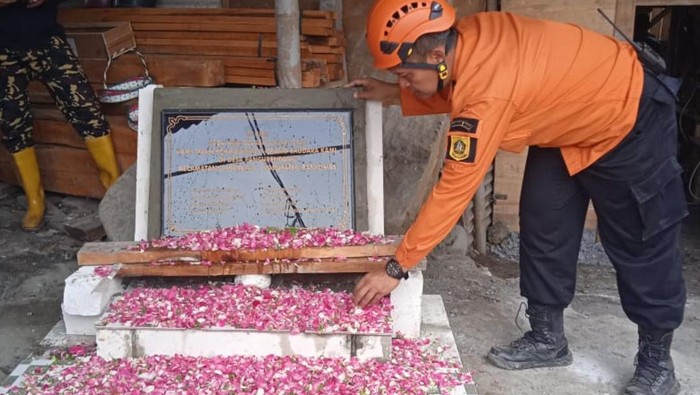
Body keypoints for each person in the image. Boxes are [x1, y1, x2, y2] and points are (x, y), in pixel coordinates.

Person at [349, 1, 687, 394]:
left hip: (626, 117)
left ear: (438, 55)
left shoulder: (486, 91)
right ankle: (548, 339)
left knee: (641, 239)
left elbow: (455, 185)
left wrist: (396, 268)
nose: (405, 82)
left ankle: (657, 363)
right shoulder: (465, 41)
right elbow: (456, 84)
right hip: (565, 121)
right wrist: (392, 93)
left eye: (405, 75)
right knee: (544, 221)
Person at [0, 0, 120, 231]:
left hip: (48, 39)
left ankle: (114, 192)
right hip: (4, 51)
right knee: (13, 124)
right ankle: (36, 203)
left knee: (87, 111)